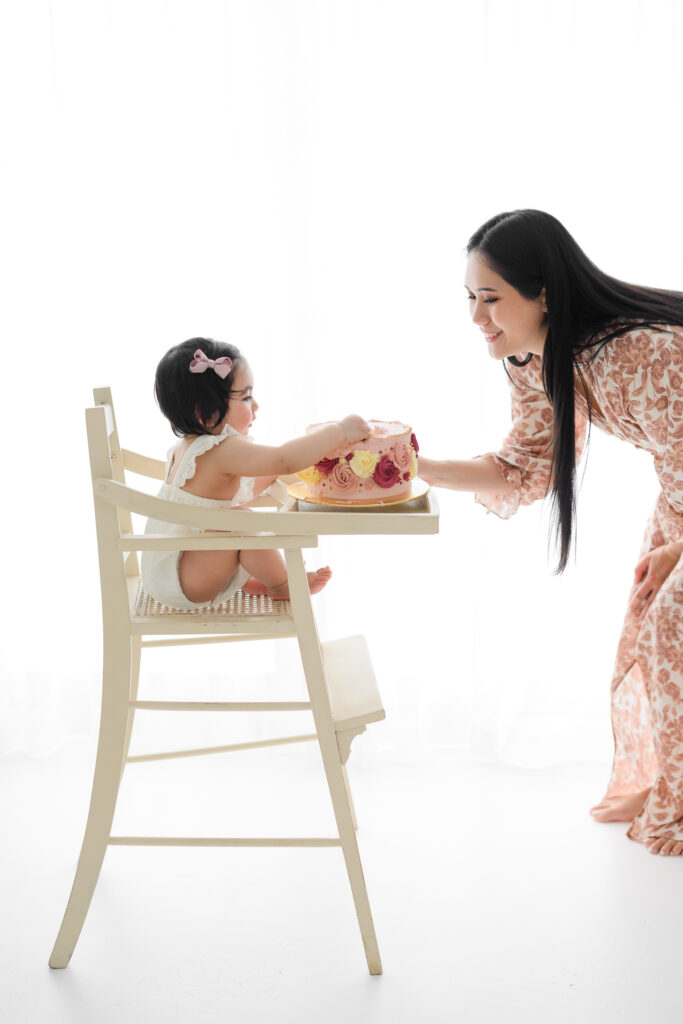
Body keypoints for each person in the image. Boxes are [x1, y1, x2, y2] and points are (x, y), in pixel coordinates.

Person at [418, 210, 683, 857]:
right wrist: (407, 466)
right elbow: (522, 467)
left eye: (490, 299)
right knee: (649, 623)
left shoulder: (639, 351)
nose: (477, 318)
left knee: (668, 628)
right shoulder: (532, 359)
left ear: (543, 294)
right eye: (469, 299)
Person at [141, 337, 369, 609]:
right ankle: (282, 584)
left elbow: (232, 492)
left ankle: (251, 574)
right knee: (243, 522)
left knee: (234, 520)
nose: (256, 405)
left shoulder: (188, 446)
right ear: (207, 414)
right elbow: (283, 460)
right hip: (185, 580)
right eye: (246, 397)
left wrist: (291, 468)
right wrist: (339, 431)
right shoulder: (221, 448)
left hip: (165, 569)